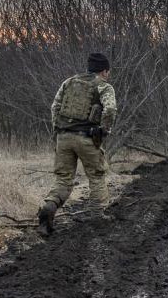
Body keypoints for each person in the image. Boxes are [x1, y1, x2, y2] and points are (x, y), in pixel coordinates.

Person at [37, 53, 117, 236]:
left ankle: (48, 209)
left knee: (63, 179)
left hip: (64, 137)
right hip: (87, 137)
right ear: (104, 71)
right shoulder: (104, 86)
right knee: (97, 176)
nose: (108, 75)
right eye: (108, 71)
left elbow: (54, 107)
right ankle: (97, 217)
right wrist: (103, 130)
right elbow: (111, 108)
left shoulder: (69, 82)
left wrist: (58, 129)